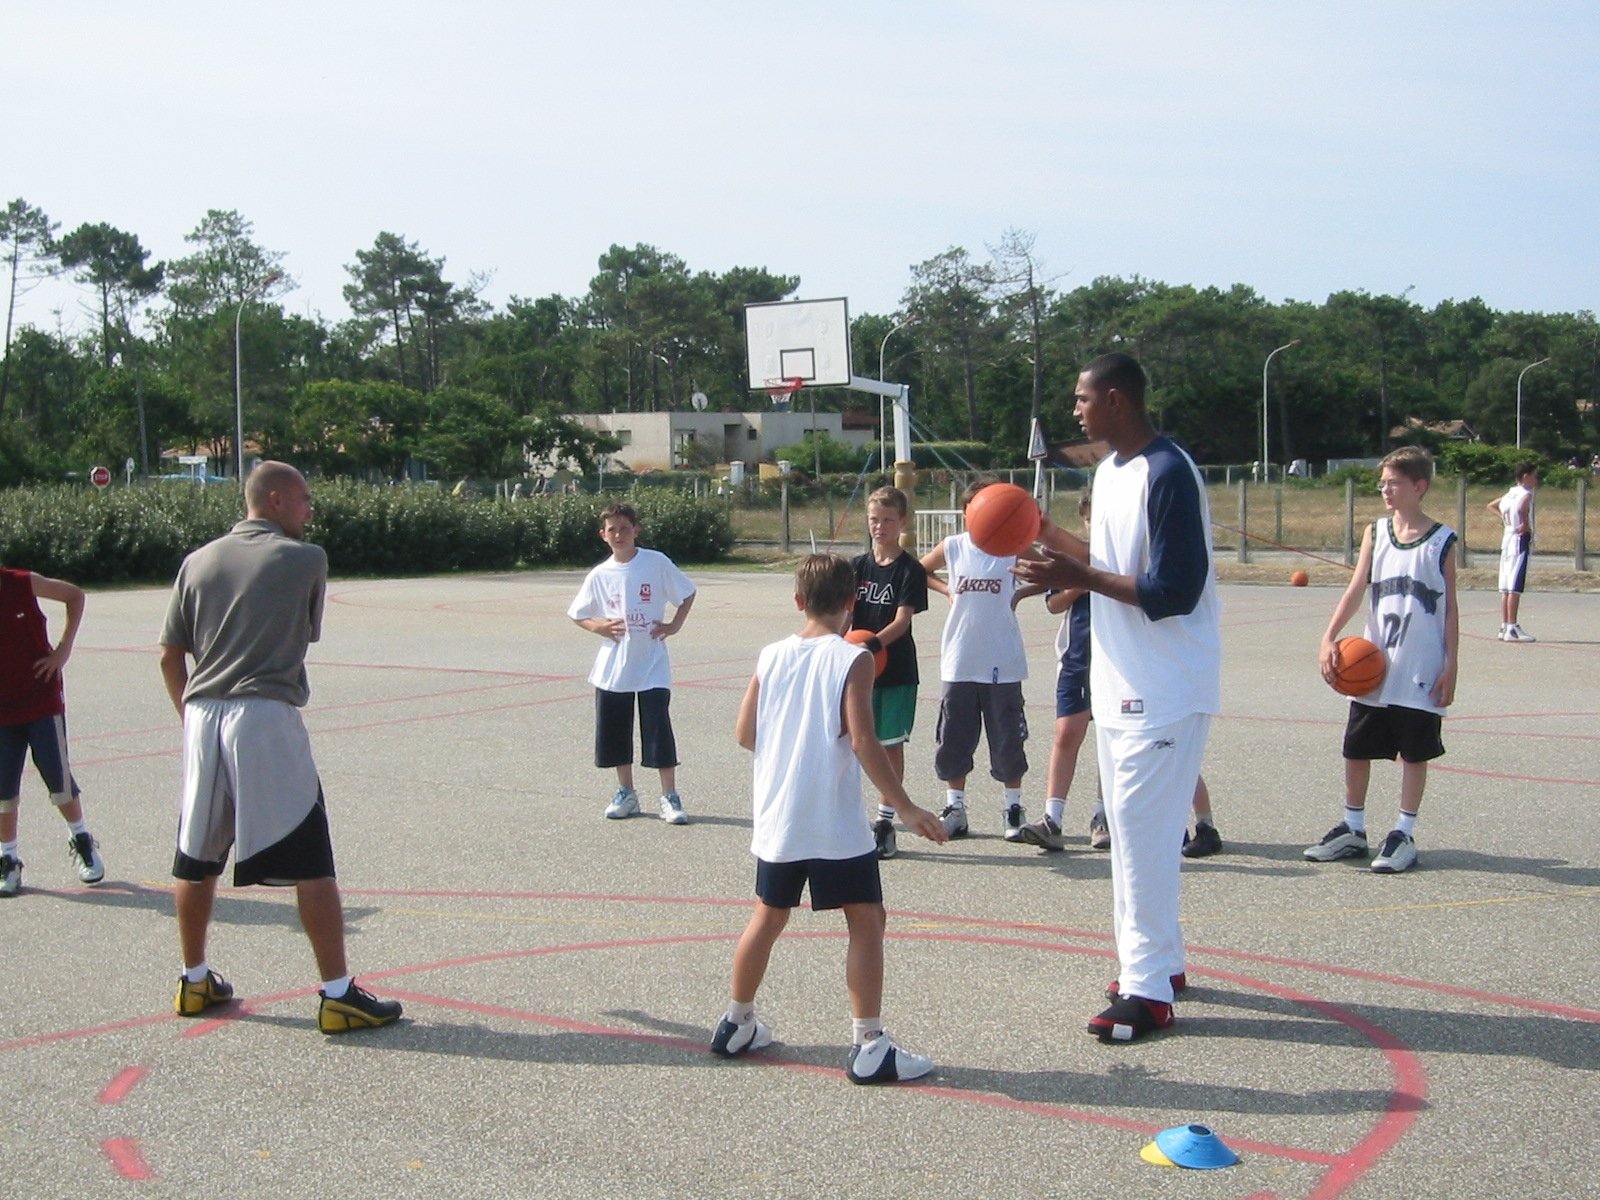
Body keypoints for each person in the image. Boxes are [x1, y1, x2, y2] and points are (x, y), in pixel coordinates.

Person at [1016, 352, 1220, 1042]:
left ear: (1117, 401)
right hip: (1121, 683)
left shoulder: (1168, 473)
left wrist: (1082, 574)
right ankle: (1159, 964)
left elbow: (1173, 590)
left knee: (1139, 839)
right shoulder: (1111, 473)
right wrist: (1046, 543)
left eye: (1082, 398)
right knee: (1138, 835)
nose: (1075, 409)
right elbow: (1106, 564)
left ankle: (1148, 991)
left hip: (1164, 687)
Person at [158, 462, 402, 1032]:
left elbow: (170, 655)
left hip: (200, 713)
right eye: (304, 500)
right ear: (273, 500)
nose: (310, 510)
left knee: (197, 859)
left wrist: (191, 718)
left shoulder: (196, 561)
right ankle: (339, 995)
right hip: (262, 713)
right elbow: (302, 632)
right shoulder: (306, 559)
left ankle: (194, 980)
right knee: (311, 859)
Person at [712, 554, 947, 1082]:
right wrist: (904, 806)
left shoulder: (770, 655)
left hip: (778, 818)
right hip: (831, 821)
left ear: (798, 601)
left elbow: (745, 734)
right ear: (852, 602)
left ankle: (735, 1021)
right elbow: (864, 740)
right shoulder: (853, 658)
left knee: (768, 917)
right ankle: (869, 1044)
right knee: (867, 919)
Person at [1305, 446, 1457, 876]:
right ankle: (1353, 827)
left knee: (1414, 751)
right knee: (1356, 747)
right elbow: (1356, 588)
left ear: (1419, 486)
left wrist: (1452, 663)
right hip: (1375, 661)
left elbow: (1451, 609)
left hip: (1421, 663)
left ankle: (1403, 832)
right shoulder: (1376, 532)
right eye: (1383, 482)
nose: (1385, 489)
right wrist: (1329, 636)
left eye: (1393, 482)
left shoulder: (1442, 540)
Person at [567, 502, 697, 824]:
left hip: (651, 664)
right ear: (603, 535)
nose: (619, 534)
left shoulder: (655, 562)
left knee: (657, 729)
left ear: (636, 530)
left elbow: (687, 593)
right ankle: (626, 792)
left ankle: (670, 796)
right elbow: (578, 613)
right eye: (612, 529)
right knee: (615, 730)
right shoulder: (600, 574)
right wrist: (597, 626)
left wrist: (674, 625)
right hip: (614, 667)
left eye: (625, 528)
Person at [920, 480, 1030, 840]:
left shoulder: (1013, 546)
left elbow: (1050, 571)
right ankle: (956, 807)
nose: (976, 514)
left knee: (1007, 738)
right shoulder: (954, 547)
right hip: (961, 657)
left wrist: (1021, 593)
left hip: (1002, 659)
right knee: (955, 737)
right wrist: (946, 589)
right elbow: (919, 570)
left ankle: (1013, 807)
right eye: (970, 508)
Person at [0, 568, 104, 897]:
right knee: (3, 789)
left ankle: (81, 839)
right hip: (3, 708)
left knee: (57, 778)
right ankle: (9, 859)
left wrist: (63, 650)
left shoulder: (21, 582)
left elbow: (75, 595)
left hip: (41, 699)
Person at [850, 486, 929, 860]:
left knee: (889, 743)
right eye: (873, 520)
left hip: (894, 669)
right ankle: (849, 816)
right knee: (851, 742)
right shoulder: (857, 567)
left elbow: (902, 620)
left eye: (887, 520)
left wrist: (872, 645)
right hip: (857, 670)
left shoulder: (910, 569)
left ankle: (885, 820)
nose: (879, 527)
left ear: (903, 522)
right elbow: (845, 614)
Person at [1488, 463, 1538, 642]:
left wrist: (1505, 518)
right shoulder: (1525, 494)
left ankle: (1505, 625)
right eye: (1534, 475)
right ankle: (1512, 627)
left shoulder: (1510, 493)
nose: (1536, 479)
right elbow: (1522, 508)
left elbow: (1491, 505)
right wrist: (1525, 523)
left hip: (1507, 538)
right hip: (1518, 540)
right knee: (1515, 586)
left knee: (1506, 586)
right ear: (1525, 476)